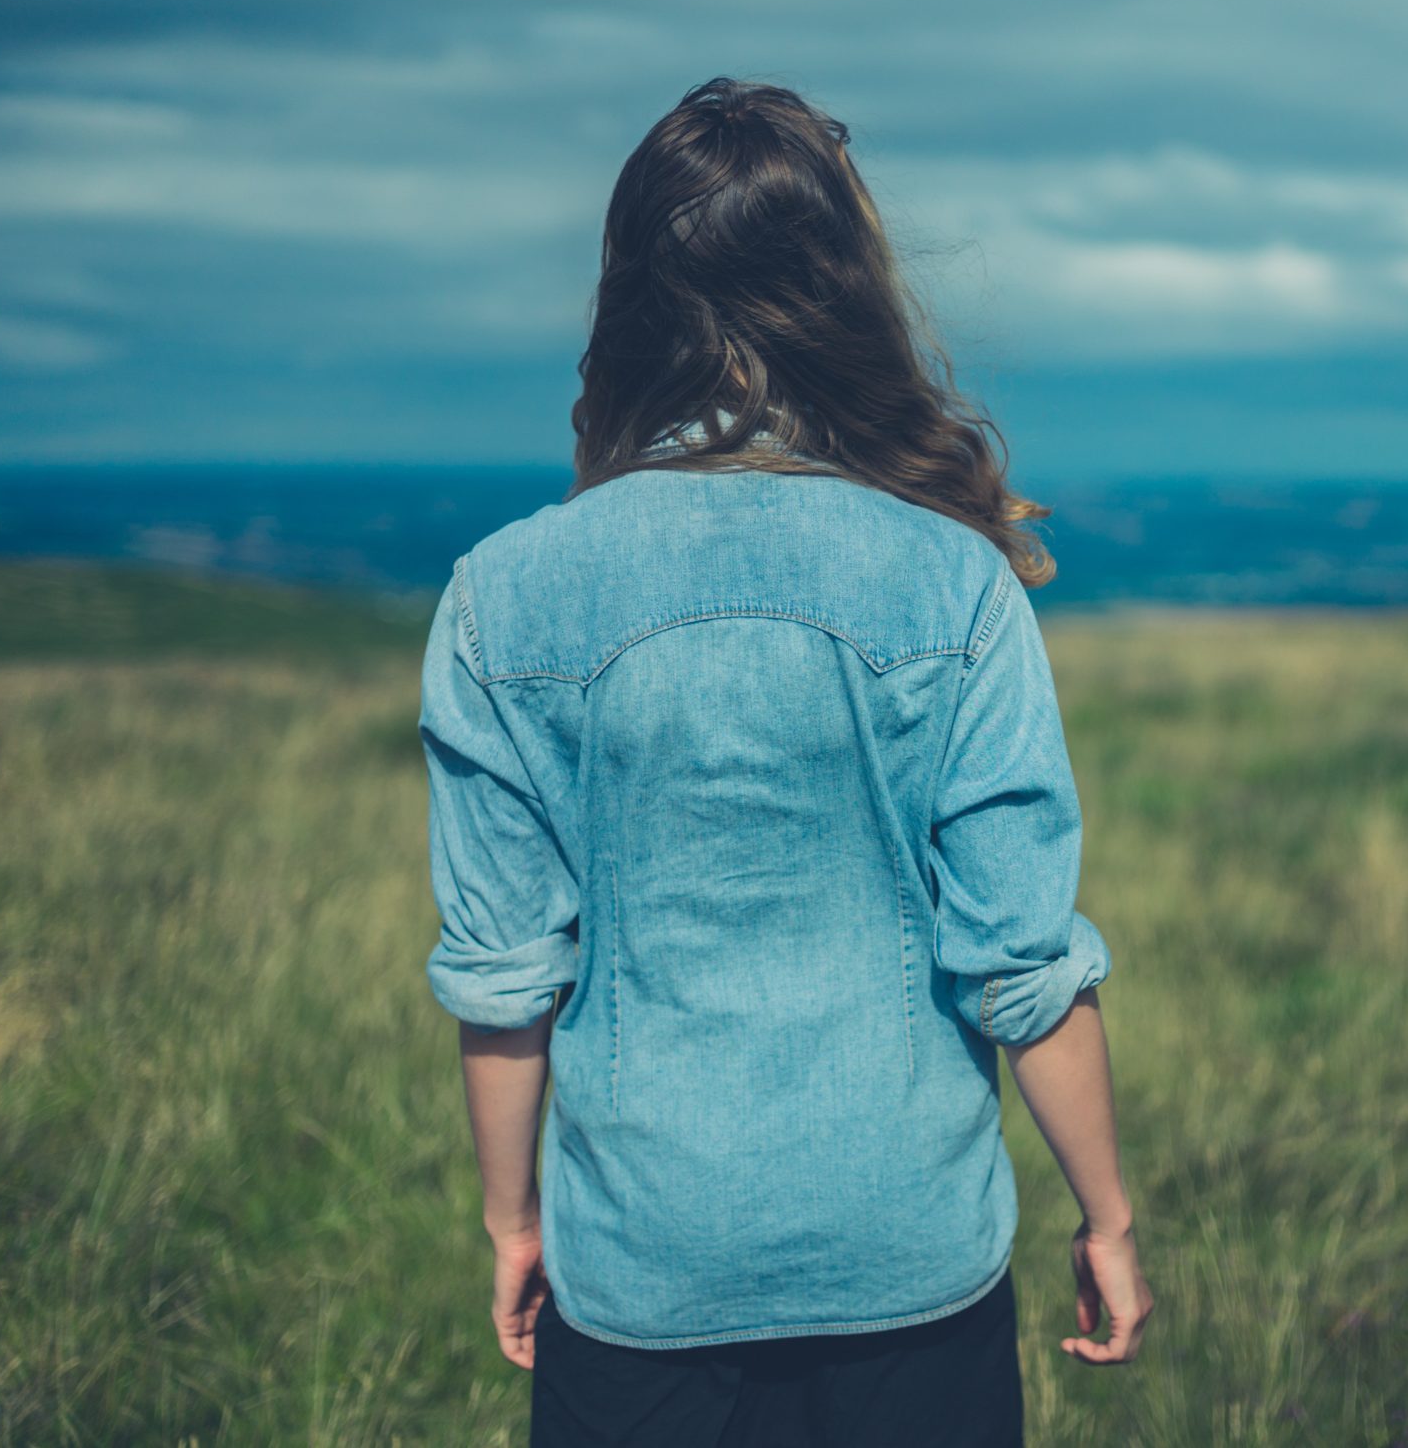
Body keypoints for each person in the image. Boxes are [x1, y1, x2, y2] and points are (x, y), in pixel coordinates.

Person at [418, 76, 1154, 1448]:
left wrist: (514, 1218)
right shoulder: (959, 585)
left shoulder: (497, 599)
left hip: (637, 1272)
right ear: (842, 292)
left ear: (629, 294)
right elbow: (1018, 963)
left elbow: (507, 972)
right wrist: (1106, 1218)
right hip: (912, 1269)